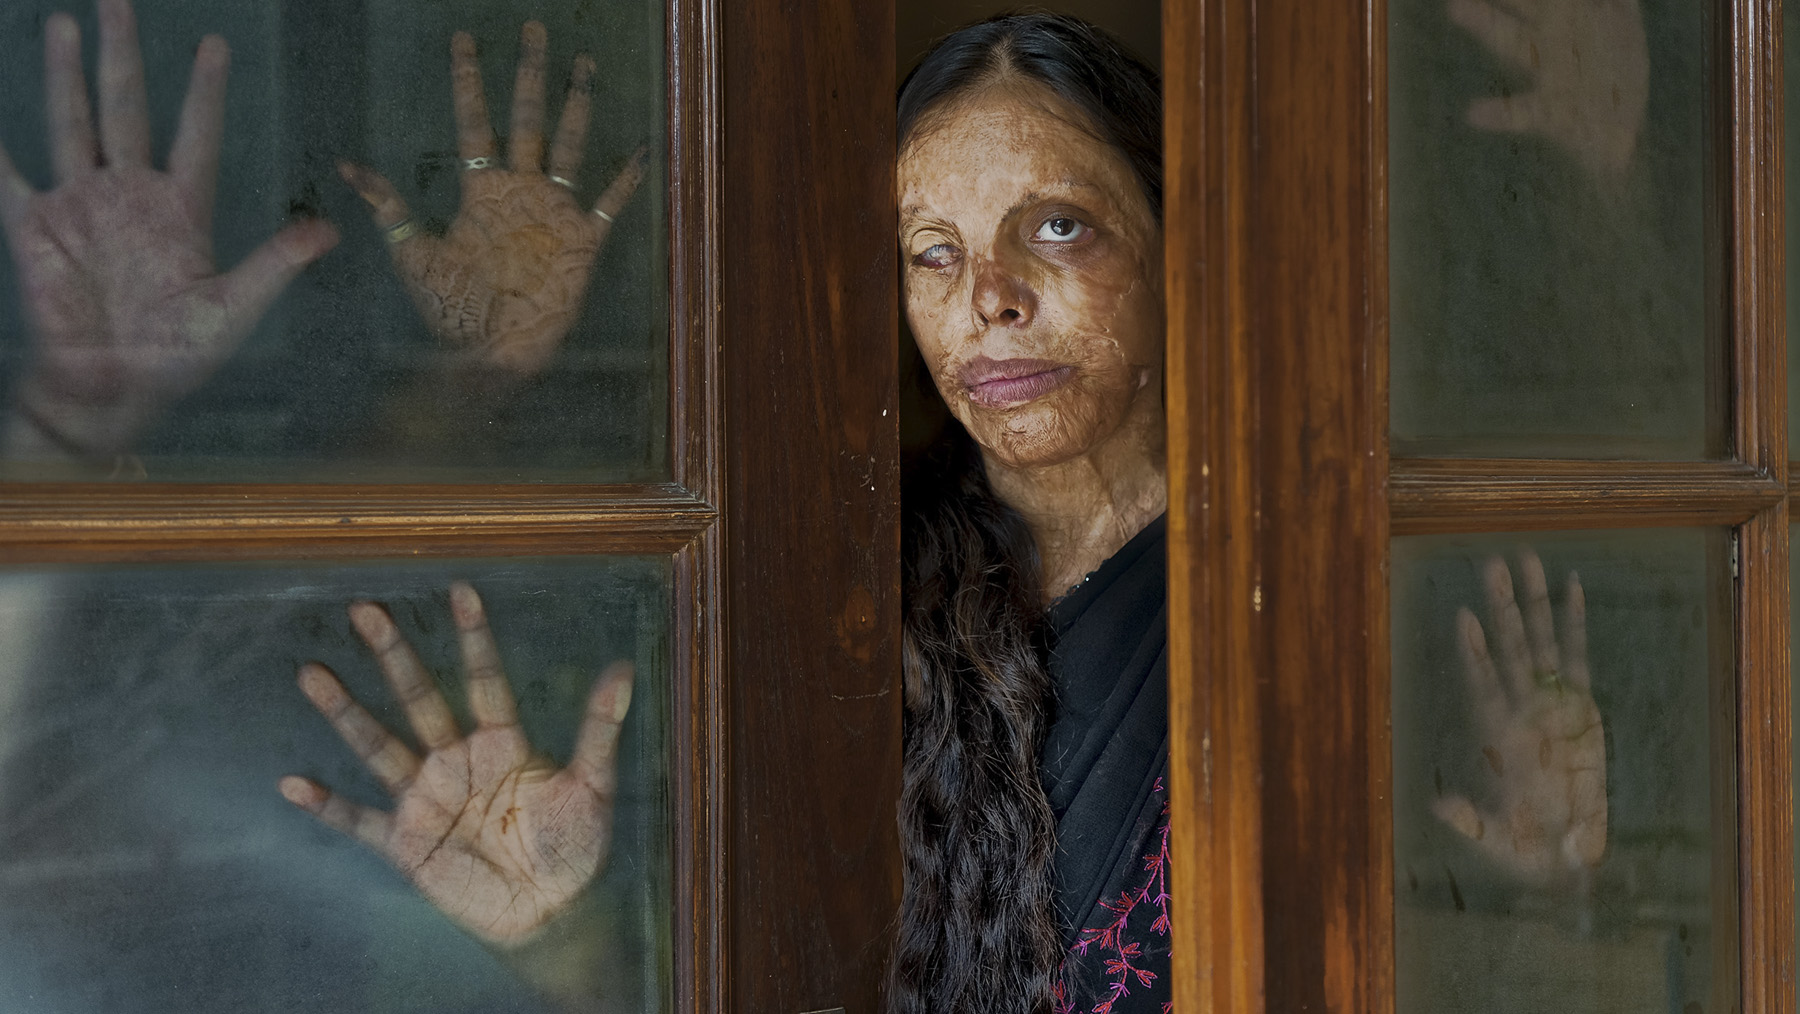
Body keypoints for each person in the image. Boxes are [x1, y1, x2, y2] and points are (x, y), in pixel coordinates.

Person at [886, 14, 1606, 1013]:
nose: (990, 298)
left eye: (1057, 225)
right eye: (933, 252)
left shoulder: (1324, 575)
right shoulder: (860, 602)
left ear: (1178, 241)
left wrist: (1544, 891)